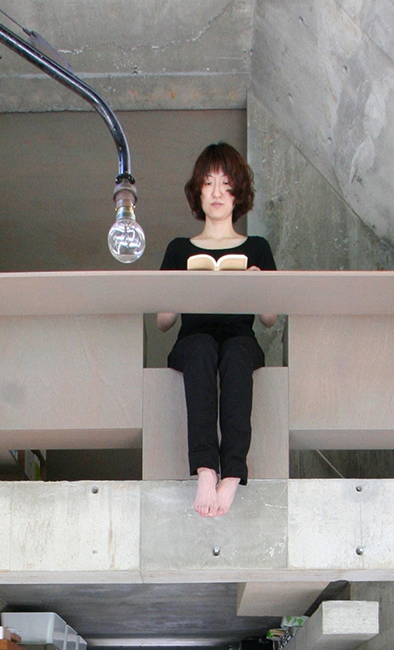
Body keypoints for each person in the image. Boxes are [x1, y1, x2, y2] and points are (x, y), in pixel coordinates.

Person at [157, 143, 277, 517]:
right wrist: (180, 285)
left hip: (240, 339)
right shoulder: (179, 249)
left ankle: (233, 473)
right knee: (202, 347)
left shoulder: (257, 247)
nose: (216, 192)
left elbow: (270, 319)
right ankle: (207, 470)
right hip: (193, 341)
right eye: (208, 183)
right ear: (198, 191)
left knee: (237, 352)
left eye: (226, 183)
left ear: (238, 191)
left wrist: (258, 284)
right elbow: (163, 321)